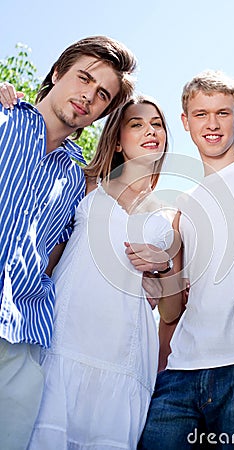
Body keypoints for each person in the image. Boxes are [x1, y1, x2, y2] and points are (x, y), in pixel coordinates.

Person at [19, 94, 182, 449]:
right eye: (136, 124)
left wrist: (162, 266)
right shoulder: (84, 184)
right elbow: (48, 257)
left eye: (157, 124)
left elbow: (170, 311)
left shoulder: (170, 216)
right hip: (64, 340)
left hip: (126, 354)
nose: (150, 130)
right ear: (119, 140)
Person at [0, 35, 137, 449]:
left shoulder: (80, 179)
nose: (88, 97)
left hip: (21, 338)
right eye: (83, 78)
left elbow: (62, 255)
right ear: (58, 73)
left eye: (102, 95)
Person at [139, 70, 234, 449]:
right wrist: (162, 265)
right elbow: (171, 311)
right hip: (181, 372)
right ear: (185, 121)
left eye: (222, 113)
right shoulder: (182, 205)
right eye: (200, 114)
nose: (212, 124)